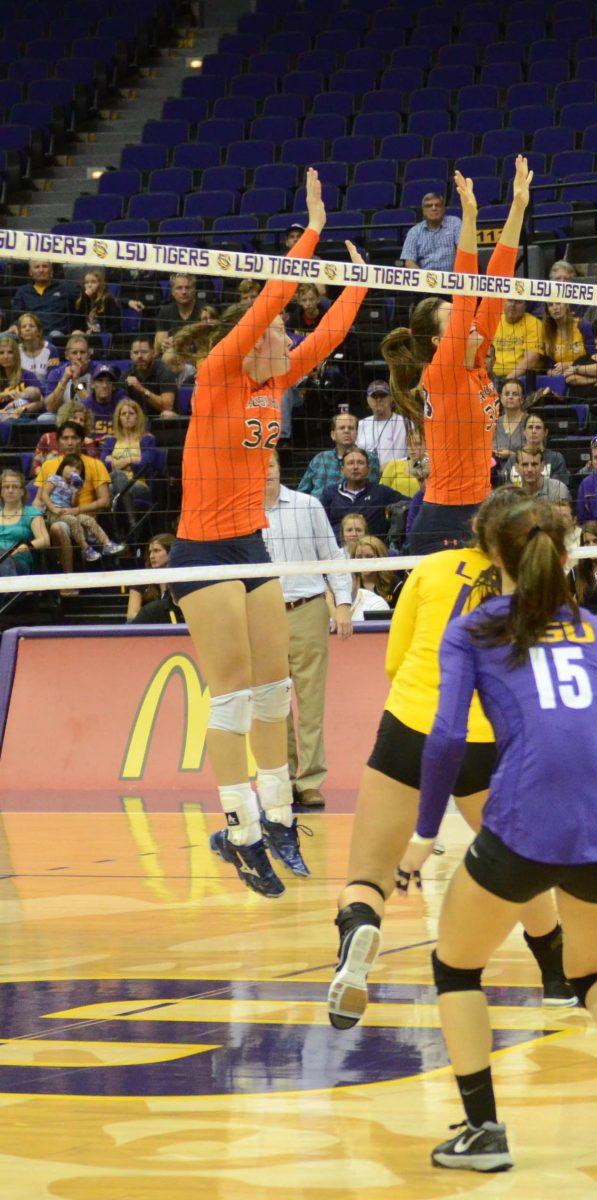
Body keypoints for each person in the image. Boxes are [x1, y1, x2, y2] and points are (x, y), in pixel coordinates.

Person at [410, 498, 597, 1173]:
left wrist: (422, 834)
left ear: (492, 558)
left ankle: (483, 1132)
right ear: (567, 554)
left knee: (455, 965)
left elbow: (446, 739)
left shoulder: (472, 631)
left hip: (523, 820)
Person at [168, 169, 367, 899]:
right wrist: (310, 232)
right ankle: (240, 830)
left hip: (252, 545)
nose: (290, 339)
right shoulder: (222, 372)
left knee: (273, 689)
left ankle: (279, 817)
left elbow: (332, 332)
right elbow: (272, 300)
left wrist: (359, 280)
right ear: (252, 342)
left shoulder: (271, 385)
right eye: (280, 333)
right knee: (228, 697)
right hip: (202, 552)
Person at [327, 489, 576, 1034]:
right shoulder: (542, 587)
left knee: (368, 873)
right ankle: (557, 979)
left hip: (413, 726)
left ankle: (362, 927)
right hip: (491, 742)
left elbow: (395, 660)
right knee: (523, 868)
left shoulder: (433, 568)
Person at [382, 159, 531, 554]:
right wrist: (469, 217)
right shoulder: (442, 372)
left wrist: (518, 207)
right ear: (437, 343)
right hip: (443, 517)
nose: (466, 319)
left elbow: (497, 284)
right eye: (454, 319)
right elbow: (466, 290)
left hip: (481, 507)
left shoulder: (474, 357)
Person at [261, 450, 353, 810]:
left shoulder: (307, 504)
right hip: (263, 614)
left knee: (311, 700)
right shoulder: (242, 512)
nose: (265, 471)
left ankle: (311, 780)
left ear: (280, 467)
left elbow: (332, 556)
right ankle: (282, 777)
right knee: (272, 701)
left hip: (307, 607)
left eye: (270, 464)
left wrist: (342, 602)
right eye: (259, 465)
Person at [33, 419, 113, 577]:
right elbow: (38, 500)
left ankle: (67, 580)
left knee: (61, 527)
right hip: (55, 515)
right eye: (65, 438)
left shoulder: (96, 464)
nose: (70, 442)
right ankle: (66, 579)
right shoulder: (49, 465)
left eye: (74, 438)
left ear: (82, 441)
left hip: (84, 518)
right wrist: (37, 518)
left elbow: (105, 501)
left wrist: (76, 510)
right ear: (59, 441)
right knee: (58, 526)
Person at [40, 454, 124, 563]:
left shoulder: (73, 486)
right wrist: (53, 508)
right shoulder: (54, 478)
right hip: (53, 513)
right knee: (73, 520)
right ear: (62, 467)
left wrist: (76, 491)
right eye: (70, 466)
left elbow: (73, 504)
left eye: (77, 468)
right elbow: (44, 495)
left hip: (67, 512)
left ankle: (107, 544)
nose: (74, 470)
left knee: (88, 519)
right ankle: (85, 549)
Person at [320, 448, 403, 539]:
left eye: (360, 463)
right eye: (350, 463)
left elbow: (412, 503)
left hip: (373, 550)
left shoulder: (381, 492)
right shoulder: (330, 493)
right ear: (342, 470)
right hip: (339, 550)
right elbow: (319, 524)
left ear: (368, 470)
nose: (355, 467)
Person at [101, 398, 155, 533]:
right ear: (118, 418)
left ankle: (117, 532)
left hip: (138, 484)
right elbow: (103, 466)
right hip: (115, 484)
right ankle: (132, 524)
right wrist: (131, 460)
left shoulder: (146, 439)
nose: (127, 417)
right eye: (123, 414)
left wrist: (116, 462)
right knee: (116, 480)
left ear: (138, 417)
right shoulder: (111, 441)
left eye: (131, 413)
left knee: (114, 485)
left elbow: (146, 464)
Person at [298, 410, 362, 495]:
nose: (346, 431)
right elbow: (301, 492)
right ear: (333, 435)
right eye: (342, 428)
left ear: (357, 434)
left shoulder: (368, 459)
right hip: (318, 507)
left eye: (350, 428)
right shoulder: (320, 459)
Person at [41, 333, 101, 424]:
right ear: (66, 355)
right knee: (45, 418)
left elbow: (94, 407)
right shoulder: (56, 373)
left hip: (88, 416)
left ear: (89, 354)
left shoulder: (97, 371)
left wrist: (76, 382)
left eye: (83, 352)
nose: (79, 357)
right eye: (74, 353)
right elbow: (50, 407)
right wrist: (64, 381)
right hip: (65, 416)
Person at [498, 411, 569, 487]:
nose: (533, 431)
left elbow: (558, 489)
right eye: (530, 427)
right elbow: (503, 487)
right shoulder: (513, 459)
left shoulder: (556, 458)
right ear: (524, 432)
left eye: (538, 428)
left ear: (545, 432)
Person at [0, 469, 49, 578]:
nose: (10, 490)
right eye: (6, 487)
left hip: (18, 561)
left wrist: (25, 546)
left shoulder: (31, 512)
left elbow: (45, 540)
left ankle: (9, 592)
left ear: (22, 491)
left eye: (15, 487)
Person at [10, 260, 75, 342]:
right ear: (30, 272)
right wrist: (15, 325)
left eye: (45, 266)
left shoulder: (65, 288)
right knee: (4, 336)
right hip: (30, 334)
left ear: (51, 270)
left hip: (56, 335)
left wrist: (77, 329)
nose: (41, 270)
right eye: (37, 267)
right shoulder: (22, 291)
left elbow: (78, 310)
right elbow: (17, 316)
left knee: (55, 335)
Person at [402, 192, 463, 272]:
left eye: (437, 205)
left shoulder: (455, 223)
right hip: (425, 280)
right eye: (429, 206)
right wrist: (424, 279)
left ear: (444, 208)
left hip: (452, 278)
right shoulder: (414, 232)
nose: (434, 208)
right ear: (423, 211)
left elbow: (463, 252)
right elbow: (409, 262)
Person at [126, 534, 181, 623]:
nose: (151, 556)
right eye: (150, 552)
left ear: (171, 552)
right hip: (147, 625)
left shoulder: (181, 578)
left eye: (156, 551)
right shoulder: (141, 578)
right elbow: (132, 615)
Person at [489, 299, 543, 389]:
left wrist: (506, 381)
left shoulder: (534, 324)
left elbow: (531, 360)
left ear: (525, 306)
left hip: (520, 378)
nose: (512, 305)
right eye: (509, 300)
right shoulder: (493, 319)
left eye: (518, 302)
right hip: (492, 377)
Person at [357, 380, 409, 469]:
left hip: (394, 476)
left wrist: (390, 466)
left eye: (383, 395)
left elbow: (414, 455)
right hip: (365, 477)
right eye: (374, 396)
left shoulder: (405, 423)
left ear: (391, 398)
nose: (379, 399)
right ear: (368, 400)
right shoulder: (360, 424)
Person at [124, 336, 179, 419]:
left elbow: (167, 407)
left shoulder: (164, 372)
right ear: (131, 355)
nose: (139, 356)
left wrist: (142, 390)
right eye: (136, 353)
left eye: (144, 352)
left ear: (153, 353)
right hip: (137, 423)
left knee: (167, 414)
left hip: (163, 424)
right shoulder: (126, 375)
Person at [0, 332, 43, 421]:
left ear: (16, 355)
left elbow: (40, 402)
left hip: (21, 418)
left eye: (10, 352)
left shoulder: (27, 375)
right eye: (1, 353)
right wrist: (4, 395)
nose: (6, 356)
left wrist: (22, 410)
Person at [73, 269, 122, 347]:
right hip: (86, 337)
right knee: (75, 333)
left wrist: (99, 334)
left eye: (93, 282)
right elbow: (76, 323)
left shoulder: (107, 300)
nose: (89, 285)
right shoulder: (81, 301)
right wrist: (85, 299)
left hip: (101, 338)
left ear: (100, 284)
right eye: (86, 282)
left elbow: (116, 325)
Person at [542, 302, 593, 374]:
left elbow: (593, 358)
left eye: (558, 303)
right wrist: (551, 372)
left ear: (566, 305)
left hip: (583, 374)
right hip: (560, 378)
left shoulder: (583, 326)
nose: (555, 308)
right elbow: (549, 366)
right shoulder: (548, 332)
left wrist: (570, 365)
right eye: (550, 305)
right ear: (547, 311)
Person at [16, 312, 59, 388]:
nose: (27, 328)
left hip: (46, 393)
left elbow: (53, 379)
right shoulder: (16, 351)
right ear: (20, 333)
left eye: (31, 326)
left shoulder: (51, 350)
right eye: (24, 327)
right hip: (22, 394)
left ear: (39, 331)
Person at [491, 379, 527, 460]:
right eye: (507, 394)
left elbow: (538, 454)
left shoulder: (530, 422)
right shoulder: (494, 423)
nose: (510, 397)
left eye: (515, 394)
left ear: (522, 399)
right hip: (496, 470)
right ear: (501, 398)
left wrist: (512, 455)